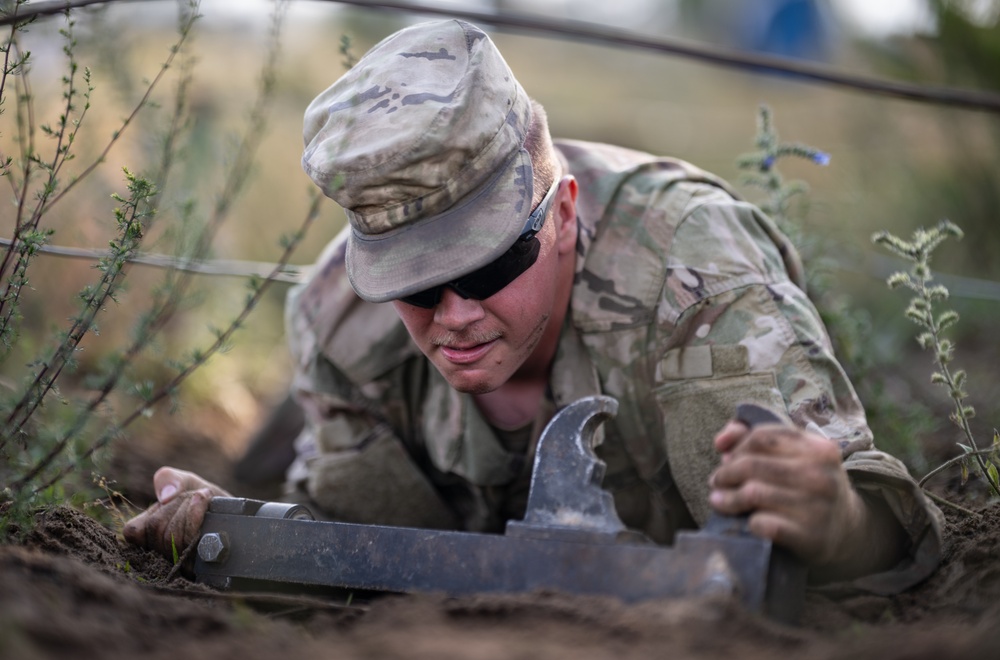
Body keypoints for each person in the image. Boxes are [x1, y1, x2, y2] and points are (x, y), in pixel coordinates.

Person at [125, 19, 942, 591]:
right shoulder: (339, 317)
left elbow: (885, 545)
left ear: (559, 214)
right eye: (411, 283)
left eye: (485, 266)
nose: (453, 316)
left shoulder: (697, 279)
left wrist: (832, 516)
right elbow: (359, 559)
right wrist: (234, 523)